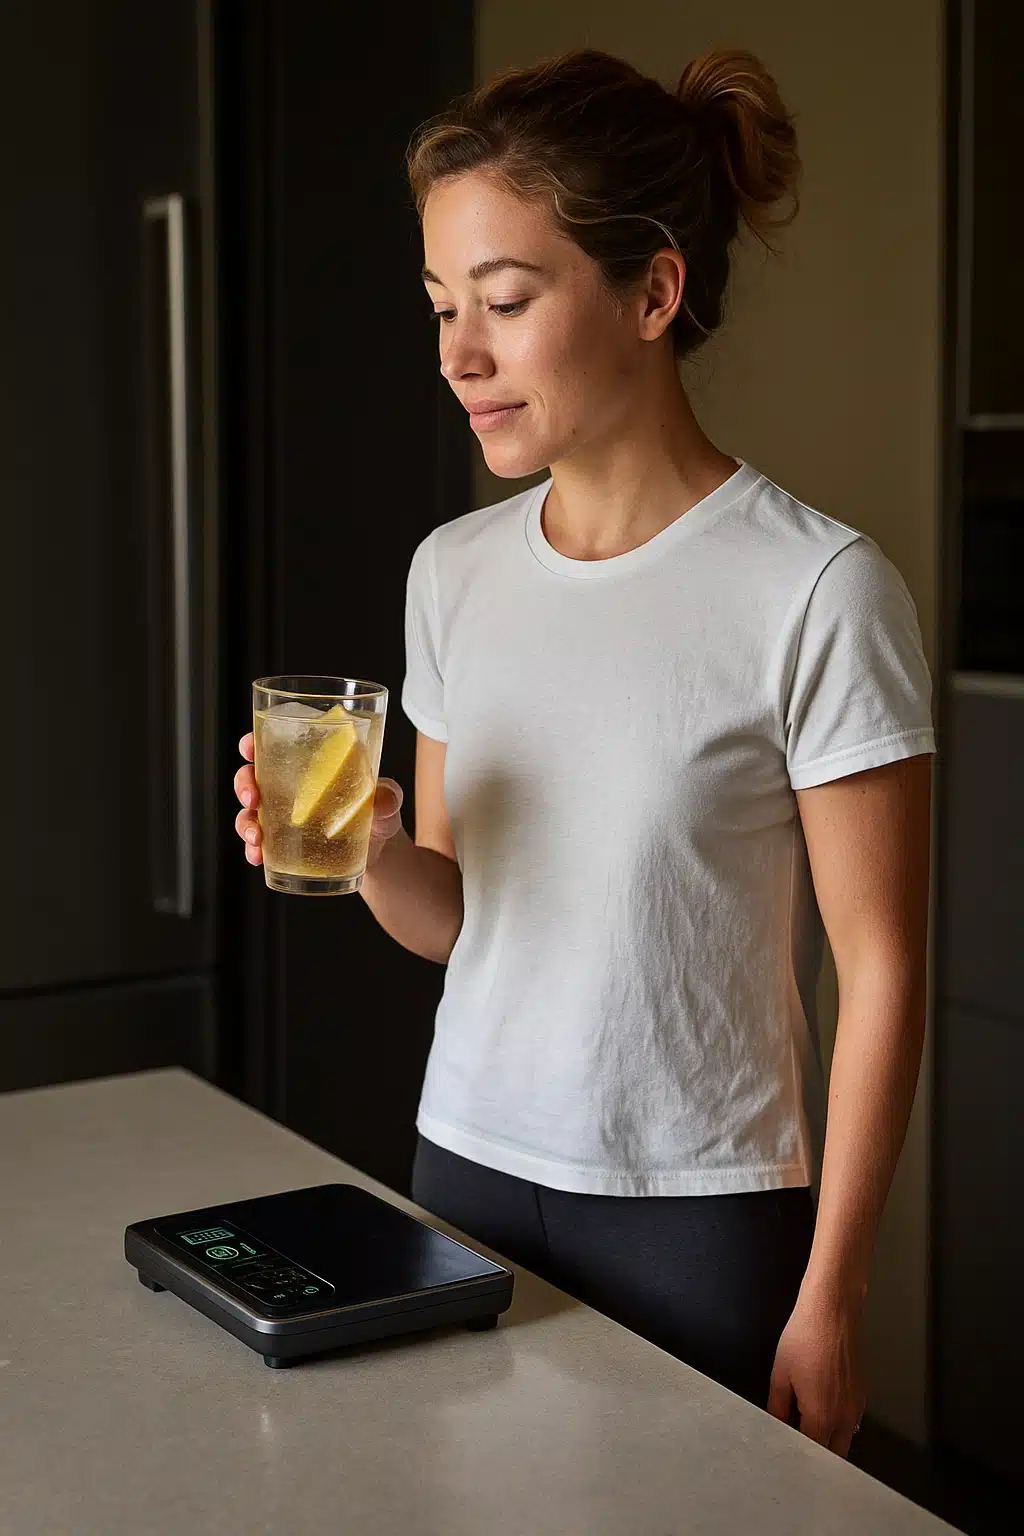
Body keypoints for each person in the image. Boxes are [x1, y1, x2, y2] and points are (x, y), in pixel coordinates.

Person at [234, 47, 935, 1458]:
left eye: (504, 300)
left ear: (654, 292)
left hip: (707, 1215)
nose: (457, 355)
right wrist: (374, 853)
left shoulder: (817, 590)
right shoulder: (454, 574)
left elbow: (884, 968)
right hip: (464, 1173)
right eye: (441, 308)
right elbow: (457, 927)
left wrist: (835, 1292)